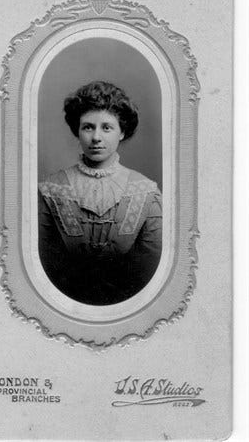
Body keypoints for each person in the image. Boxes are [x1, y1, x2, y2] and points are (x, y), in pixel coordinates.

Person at [38, 81, 162, 305]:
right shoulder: (51, 189)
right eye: (88, 127)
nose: (96, 137)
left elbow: (152, 267)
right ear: (78, 130)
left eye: (107, 127)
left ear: (122, 132)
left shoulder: (145, 190)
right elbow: (43, 262)